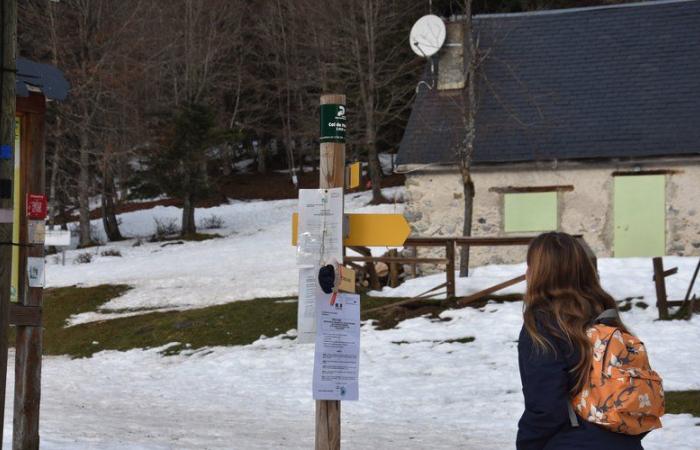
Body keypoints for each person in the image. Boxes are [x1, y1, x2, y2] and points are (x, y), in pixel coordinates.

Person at [517, 232, 644, 450]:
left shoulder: (543, 325)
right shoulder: (605, 315)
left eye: (529, 265)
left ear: (539, 272)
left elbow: (545, 406)